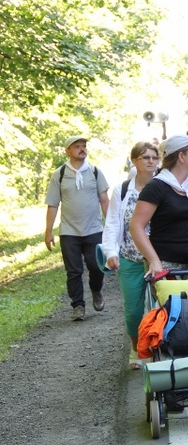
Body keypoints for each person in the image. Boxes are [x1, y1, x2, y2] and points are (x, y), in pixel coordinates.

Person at [102, 141, 158, 368]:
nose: (151, 161)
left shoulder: (163, 185)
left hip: (157, 258)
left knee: (161, 304)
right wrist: (110, 252)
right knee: (134, 309)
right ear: (135, 161)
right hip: (129, 256)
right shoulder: (123, 189)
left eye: (154, 157)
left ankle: (161, 346)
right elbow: (113, 221)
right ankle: (137, 349)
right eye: (145, 157)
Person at [130, 135, 188, 276]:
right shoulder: (156, 187)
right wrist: (154, 260)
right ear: (181, 156)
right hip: (165, 265)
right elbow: (136, 226)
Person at [45, 135, 110, 321]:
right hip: (69, 231)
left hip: (94, 229)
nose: (82, 149)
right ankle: (78, 306)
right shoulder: (59, 174)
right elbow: (53, 204)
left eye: (84, 146)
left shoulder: (96, 172)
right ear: (68, 151)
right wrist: (48, 231)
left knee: (97, 267)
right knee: (74, 271)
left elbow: (105, 201)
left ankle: (96, 290)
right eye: (77, 147)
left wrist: (113, 226)